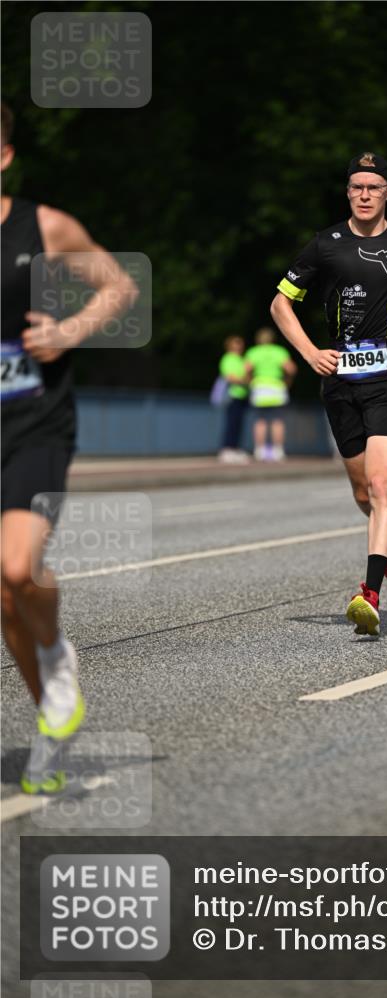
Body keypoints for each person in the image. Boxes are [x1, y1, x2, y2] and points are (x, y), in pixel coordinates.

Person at [1, 103, 138, 792]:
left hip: (34, 418)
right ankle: (53, 720)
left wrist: (67, 332)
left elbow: (118, 285)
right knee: (2, 598)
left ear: (3, 157)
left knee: (19, 569)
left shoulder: (43, 224)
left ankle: (57, 656)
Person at [270, 151, 387, 636]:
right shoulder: (325, 244)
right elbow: (280, 304)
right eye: (357, 187)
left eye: (374, 187)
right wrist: (310, 352)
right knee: (361, 492)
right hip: (340, 378)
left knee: (380, 484)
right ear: (348, 192)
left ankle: (368, 592)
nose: (365, 194)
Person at [245, 326, 297, 461]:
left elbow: (246, 369)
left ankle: (259, 451)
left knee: (260, 420)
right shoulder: (279, 351)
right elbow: (291, 369)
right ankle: (278, 451)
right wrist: (287, 383)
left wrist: (250, 381)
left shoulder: (253, 352)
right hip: (276, 387)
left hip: (260, 387)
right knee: (277, 421)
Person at [217, 334, 250, 464]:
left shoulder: (242, 359)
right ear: (229, 346)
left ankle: (235, 448)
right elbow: (230, 377)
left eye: (240, 343)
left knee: (239, 423)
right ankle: (227, 449)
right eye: (236, 343)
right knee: (231, 422)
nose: (239, 346)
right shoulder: (228, 359)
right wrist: (244, 381)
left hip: (243, 395)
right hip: (232, 395)